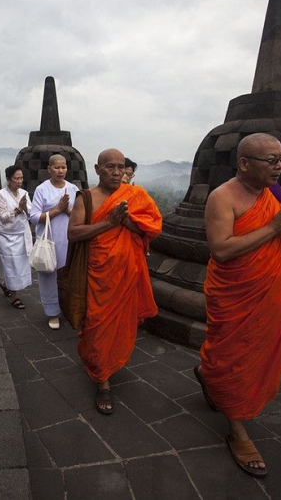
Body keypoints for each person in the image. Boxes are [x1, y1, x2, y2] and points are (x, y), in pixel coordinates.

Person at [196, 133, 281, 477]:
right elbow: (222, 249)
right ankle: (238, 430)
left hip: (273, 296)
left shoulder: (278, 195)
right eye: (271, 160)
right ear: (244, 163)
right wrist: (277, 226)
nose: (279, 167)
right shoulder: (223, 197)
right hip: (237, 297)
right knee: (234, 357)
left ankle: (208, 375)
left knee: (254, 355)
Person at [68, 148, 162, 415]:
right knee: (97, 326)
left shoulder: (135, 196)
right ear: (97, 169)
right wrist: (110, 223)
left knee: (120, 329)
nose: (117, 172)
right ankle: (103, 382)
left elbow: (153, 228)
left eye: (121, 167)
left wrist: (127, 221)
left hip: (128, 275)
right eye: (110, 167)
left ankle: (105, 364)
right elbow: (74, 233)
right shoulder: (86, 198)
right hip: (98, 276)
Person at [29, 154, 79, 329]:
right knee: (49, 275)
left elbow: (79, 216)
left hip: (68, 240)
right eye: (57, 167)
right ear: (49, 169)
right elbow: (34, 217)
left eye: (63, 167)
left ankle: (69, 309)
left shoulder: (72, 188)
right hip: (49, 240)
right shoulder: (42, 189)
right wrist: (58, 210)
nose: (61, 171)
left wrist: (67, 210)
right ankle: (52, 313)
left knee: (68, 277)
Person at [0, 165, 33, 310]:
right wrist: (18, 209)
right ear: (9, 179)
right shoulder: (1, 194)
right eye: (16, 178)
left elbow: (31, 210)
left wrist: (25, 208)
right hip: (6, 236)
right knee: (10, 265)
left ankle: (6, 284)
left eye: (21, 178)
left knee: (20, 264)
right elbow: (2, 217)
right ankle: (14, 296)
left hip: (21, 234)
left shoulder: (24, 193)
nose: (19, 181)